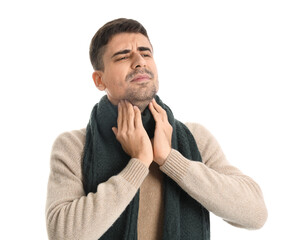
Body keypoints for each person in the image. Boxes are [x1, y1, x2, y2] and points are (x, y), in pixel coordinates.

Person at [45, 18, 267, 240]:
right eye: (123, 56)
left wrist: (170, 159)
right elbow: (63, 234)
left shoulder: (194, 139)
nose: (139, 61)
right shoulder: (75, 146)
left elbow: (256, 214)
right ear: (99, 80)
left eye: (146, 53)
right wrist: (139, 162)